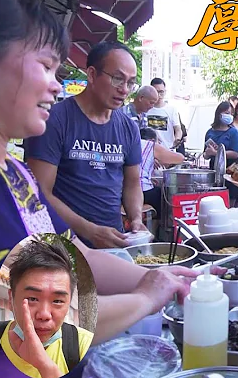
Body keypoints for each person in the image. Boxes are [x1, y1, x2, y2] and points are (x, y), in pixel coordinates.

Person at [0, 0, 219, 378]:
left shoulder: (11, 172)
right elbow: (28, 329)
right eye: (45, 65)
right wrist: (145, 297)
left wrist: (159, 278)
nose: (55, 84)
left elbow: (74, 255)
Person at [25, 41, 148, 249]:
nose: (124, 89)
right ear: (92, 74)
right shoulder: (55, 120)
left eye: (130, 82)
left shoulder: (128, 127)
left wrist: (136, 218)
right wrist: (89, 230)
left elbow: (133, 183)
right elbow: (39, 193)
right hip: (62, 245)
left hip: (114, 243)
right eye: (117, 79)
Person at [0, 240, 93, 378]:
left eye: (57, 301)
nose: (44, 314)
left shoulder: (85, 347)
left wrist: (45, 366)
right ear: (11, 299)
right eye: (32, 299)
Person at [139, 128, 184, 217]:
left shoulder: (131, 143)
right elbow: (179, 158)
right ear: (152, 140)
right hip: (141, 192)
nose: (159, 143)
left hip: (122, 191)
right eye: (158, 141)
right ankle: (161, 226)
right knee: (165, 198)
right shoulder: (150, 145)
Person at [204, 101, 238, 168]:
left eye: (231, 114)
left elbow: (235, 154)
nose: (229, 116)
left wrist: (216, 153)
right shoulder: (209, 132)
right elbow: (205, 153)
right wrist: (207, 154)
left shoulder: (234, 132)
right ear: (219, 114)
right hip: (213, 169)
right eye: (227, 113)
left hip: (229, 169)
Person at [148, 77, 183, 149]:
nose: (159, 95)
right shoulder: (146, 109)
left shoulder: (171, 110)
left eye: (161, 92)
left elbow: (178, 129)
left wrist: (177, 139)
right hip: (149, 151)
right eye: (156, 92)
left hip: (168, 150)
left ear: (165, 92)